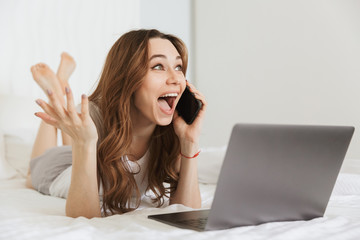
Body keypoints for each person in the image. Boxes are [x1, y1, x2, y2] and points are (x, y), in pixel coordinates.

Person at [26, 29, 207, 218]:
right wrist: (85, 143)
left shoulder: (173, 129)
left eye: (178, 67)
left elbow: (186, 213)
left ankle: (61, 85)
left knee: (79, 134)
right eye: (158, 66)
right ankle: (55, 92)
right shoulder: (92, 114)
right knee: (31, 175)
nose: (176, 79)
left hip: (88, 153)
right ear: (128, 76)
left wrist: (189, 142)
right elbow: (84, 218)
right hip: (62, 166)